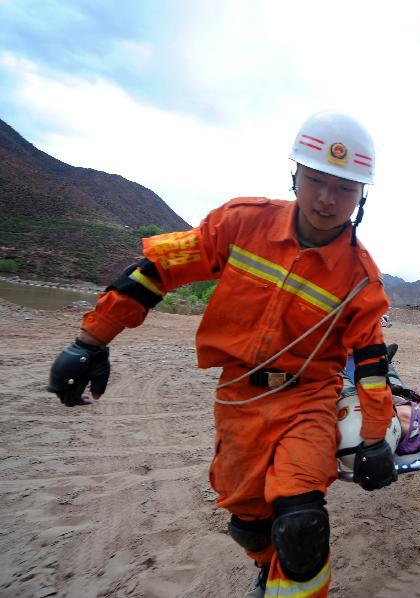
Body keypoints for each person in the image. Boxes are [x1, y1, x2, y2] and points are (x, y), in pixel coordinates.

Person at [47, 110, 399, 598]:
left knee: (300, 524)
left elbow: (373, 365)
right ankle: (267, 564)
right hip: (239, 398)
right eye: (316, 181)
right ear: (295, 174)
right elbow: (157, 270)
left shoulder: (361, 278)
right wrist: (89, 342)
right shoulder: (242, 223)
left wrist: (377, 437)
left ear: (362, 196)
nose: (326, 199)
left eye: (344, 189)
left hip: (309, 400)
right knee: (249, 523)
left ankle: (289, 575)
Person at [339, 343, 420, 455]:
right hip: (390, 415)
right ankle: (386, 364)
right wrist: (419, 402)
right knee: (393, 387)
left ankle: (338, 367)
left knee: (342, 383)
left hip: (350, 412)